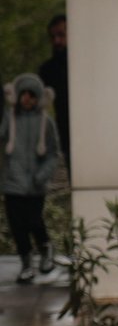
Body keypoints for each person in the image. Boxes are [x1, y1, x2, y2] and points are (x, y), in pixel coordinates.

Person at [1, 73, 61, 282]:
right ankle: (26, 262)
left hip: (36, 184)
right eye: (23, 94)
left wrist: (43, 174)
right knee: (17, 225)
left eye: (31, 95)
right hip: (13, 183)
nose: (27, 99)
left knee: (34, 221)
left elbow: (53, 153)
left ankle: (46, 248)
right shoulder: (10, 119)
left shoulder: (46, 122)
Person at [37, 14, 70, 178]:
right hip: (65, 132)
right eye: (53, 36)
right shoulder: (48, 70)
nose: (56, 41)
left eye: (61, 35)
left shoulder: (84, 64)